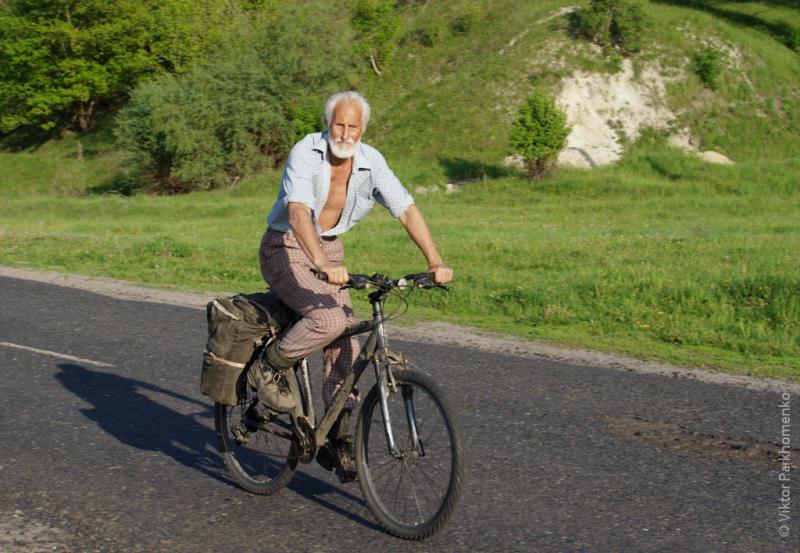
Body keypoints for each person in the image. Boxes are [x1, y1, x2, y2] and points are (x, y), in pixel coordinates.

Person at [250, 90, 452, 478]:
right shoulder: (306, 153)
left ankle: (336, 434)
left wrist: (435, 260)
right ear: (328, 123)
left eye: (353, 126)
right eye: (339, 124)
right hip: (286, 245)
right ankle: (267, 369)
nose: (345, 132)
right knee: (327, 322)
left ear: (363, 128)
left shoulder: (371, 161)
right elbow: (297, 212)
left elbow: (406, 209)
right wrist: (321, 262)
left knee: (347, 337)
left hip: (329, 250)